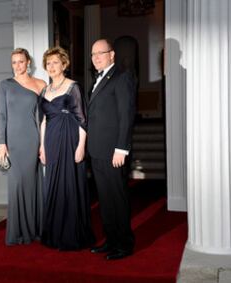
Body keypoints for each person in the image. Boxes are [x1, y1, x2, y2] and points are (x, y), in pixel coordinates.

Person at [39, 46, 94, 250]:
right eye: (48, 63)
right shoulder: (45, 90)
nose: (51, 66)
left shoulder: (73, 87)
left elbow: (82, 120)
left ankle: (72, 234)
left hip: (70, 139)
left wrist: (81, 146)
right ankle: (54, 232)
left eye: (55, 62)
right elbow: (43, 120)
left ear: (64, 64)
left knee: (70, 185)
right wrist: (42, 147)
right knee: (52, 184)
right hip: (51, 140)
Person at [87, 39, 136, 260]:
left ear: (112, 54)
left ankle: (124, 244)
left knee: (117, 198)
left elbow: (126, 115)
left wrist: (121, 148)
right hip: (97, 151)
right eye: (93, 54)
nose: (96, 57)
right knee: (105, 200)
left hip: (114, 151)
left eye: (101, 53)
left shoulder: (121, 76)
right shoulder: (96, 79)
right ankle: (111, 240)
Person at [0, 48, 46, 245]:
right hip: (13, 142)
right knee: (17, 186)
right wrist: (2, 143)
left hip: (33, 139)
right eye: (14, 62)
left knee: (34, 184)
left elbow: (44, 117)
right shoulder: (5, 85)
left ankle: (35, 229)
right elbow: (2, 115)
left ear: (28, 63)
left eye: (21, 61)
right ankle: (19, 232)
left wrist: (44, 144)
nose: (17, 65)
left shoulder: (40, 84)